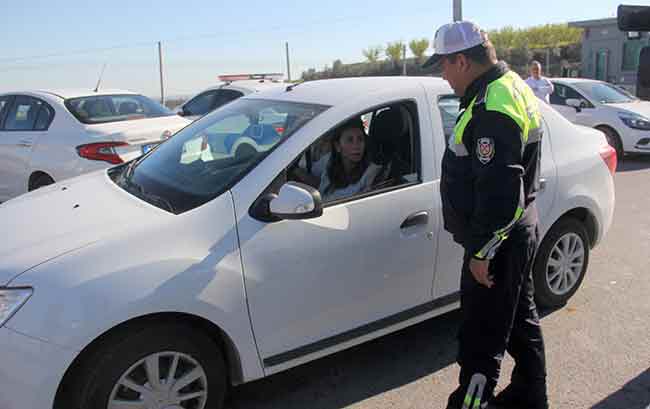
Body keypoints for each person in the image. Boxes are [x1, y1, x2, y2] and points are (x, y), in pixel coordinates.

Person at [422, 21, 549, 409]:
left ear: (462, 61)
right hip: (515, 233)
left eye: (443, 65)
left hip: (498, 243)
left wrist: (482, 252)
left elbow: (501, 191)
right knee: (519, 322)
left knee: (481, 342)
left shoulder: (492, 104)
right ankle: (531, 395)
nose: (442, 76)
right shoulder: (509, 87)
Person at [292, 118, 383, 202]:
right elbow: (319, 183)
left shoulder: (371, 172)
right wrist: (293, 169)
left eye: (360, 139)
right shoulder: (329, 159)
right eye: (350, 140)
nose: (356, 146)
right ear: (338, 146)